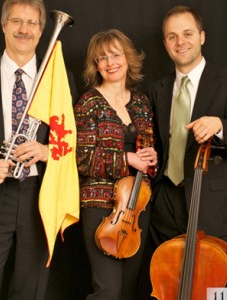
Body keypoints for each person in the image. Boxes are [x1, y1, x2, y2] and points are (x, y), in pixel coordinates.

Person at [0, 0, 77, 299]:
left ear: (41, 30)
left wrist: (47, 151)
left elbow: (72, 141)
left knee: (31, 292)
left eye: (32, 23)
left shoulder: (59, 79)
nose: (24, 29)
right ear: (4, 25)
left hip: (39, 195)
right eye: (17, 21)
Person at [149, 5, 227, 251]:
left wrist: (220, 125)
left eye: (188, 33)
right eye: (172, 37)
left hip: (211, 204)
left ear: (202, 37)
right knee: (168, 286)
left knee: (213, 288)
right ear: (165, 43)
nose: (180, 42)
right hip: (164, 205)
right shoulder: (158, 90)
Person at [74, 29, 158, 300]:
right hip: (100, 207)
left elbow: (147, 157)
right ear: (95, 65)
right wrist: (126, 159)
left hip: (137, 207)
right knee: (108, 290)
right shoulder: (89, 103)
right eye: (102, 58)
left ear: (127, 58)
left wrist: (151, 161)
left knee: (129, 289)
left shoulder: (143, 103)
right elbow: (81, 158)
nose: (110, 63)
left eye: (115, 55)